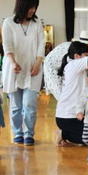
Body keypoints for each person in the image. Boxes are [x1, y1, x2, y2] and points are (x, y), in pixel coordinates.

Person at [2, 0, 44, 145]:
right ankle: (17, 132)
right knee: (16, 106)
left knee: (29, 105)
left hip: (33, 68)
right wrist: (13, 62)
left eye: (35, 7)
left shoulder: (37, 23)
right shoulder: (8, 22)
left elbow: (41, 45)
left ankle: (29, 134)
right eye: (30, 7)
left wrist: (38, 64)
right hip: (14, 68)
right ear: (22, 6)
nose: (33, 10)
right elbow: (7, 45)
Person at [44, 30, 88, 100]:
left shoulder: (82, 52)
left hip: (63, 69)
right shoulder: (73, 50)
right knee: (63, 97)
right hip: (52, 70)